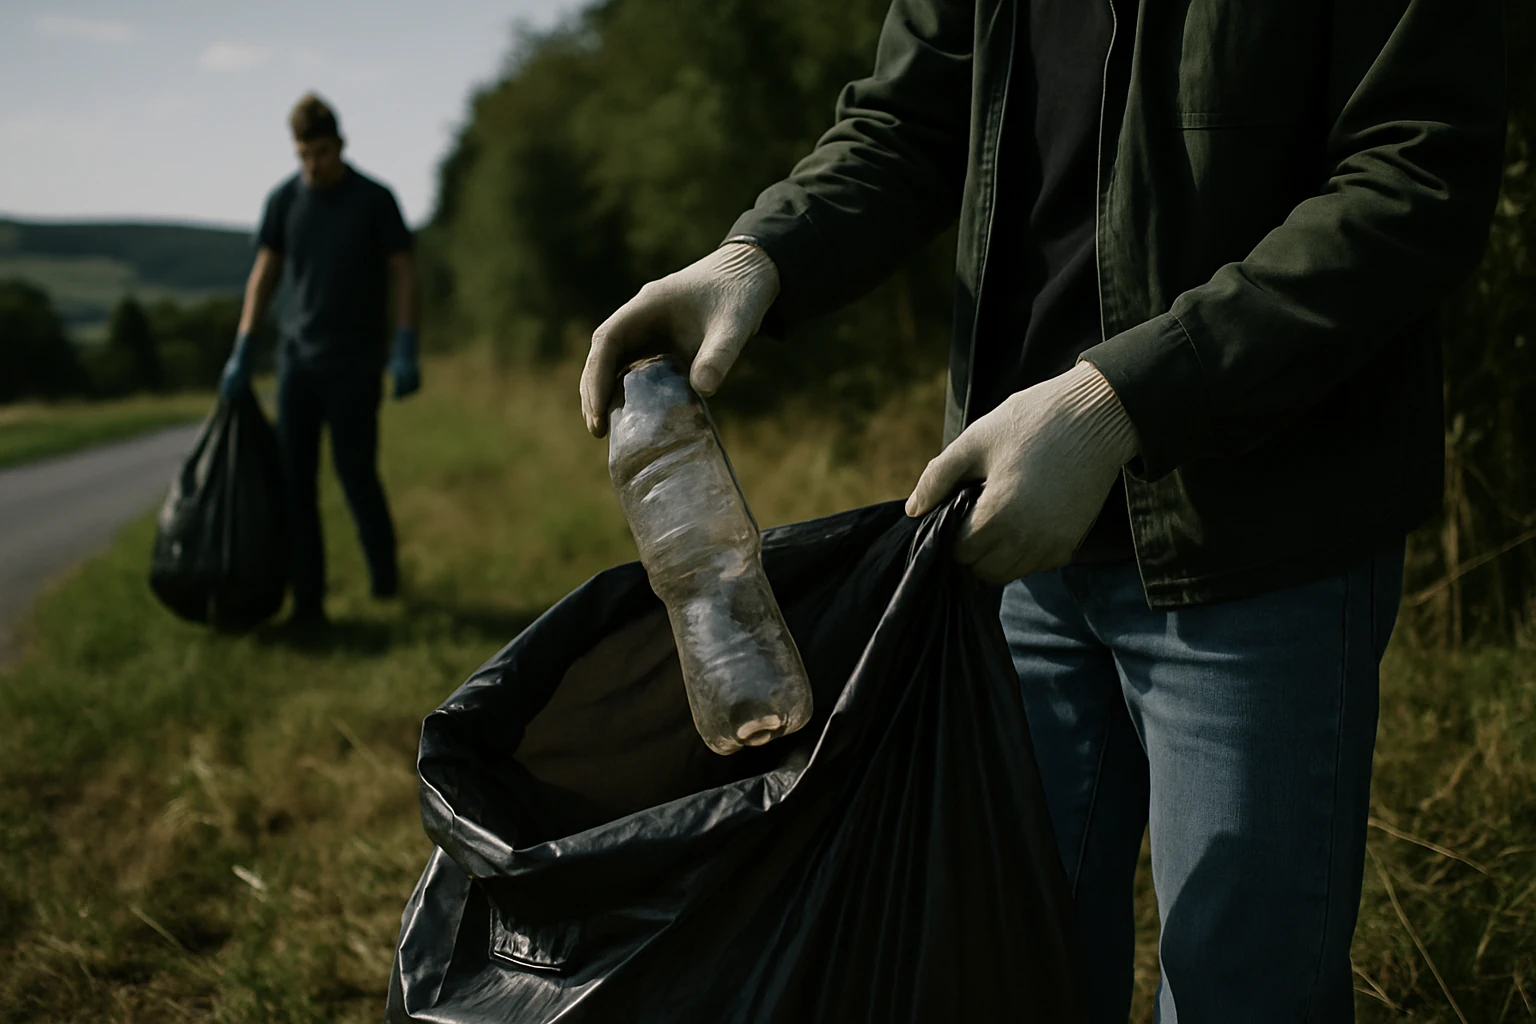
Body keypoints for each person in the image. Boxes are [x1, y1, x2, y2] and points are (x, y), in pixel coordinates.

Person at [579, 1, 1506, 1021]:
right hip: (1010, 542)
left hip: (1262, 529)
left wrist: (1122, 402)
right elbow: (908, 123)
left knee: (1242, 992)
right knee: (1000, 966)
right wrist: (761, 255)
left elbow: (1415, 177)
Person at [221, 92, 421, 627]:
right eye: (304, 154)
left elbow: (403, 270)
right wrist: (244, 345)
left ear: (340, 145)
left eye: (323, 152)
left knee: (356, 474)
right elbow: (264, 274)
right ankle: (307, 603)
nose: (314, 164)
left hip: (354, 364)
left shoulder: (374, 199)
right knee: (295, 482)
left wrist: (405, 343)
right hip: (298, 364)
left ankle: (385, 581)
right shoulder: (285, 201)